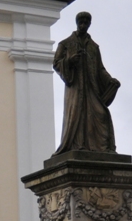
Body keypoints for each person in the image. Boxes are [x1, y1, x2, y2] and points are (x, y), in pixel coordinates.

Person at [51, 11, 120, 155]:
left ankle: (101, 148)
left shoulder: (93, 47)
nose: (83, 25)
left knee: (102, 114)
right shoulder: (65, 44)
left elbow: (100, 69)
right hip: (75, 88)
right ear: (77, 23)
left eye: (86, 23)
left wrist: (110, 80)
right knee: (77, 115)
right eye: (80, 23)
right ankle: (78, 146)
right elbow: (56, 63)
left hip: (91, 88)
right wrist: (69, 61)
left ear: (89, 24)